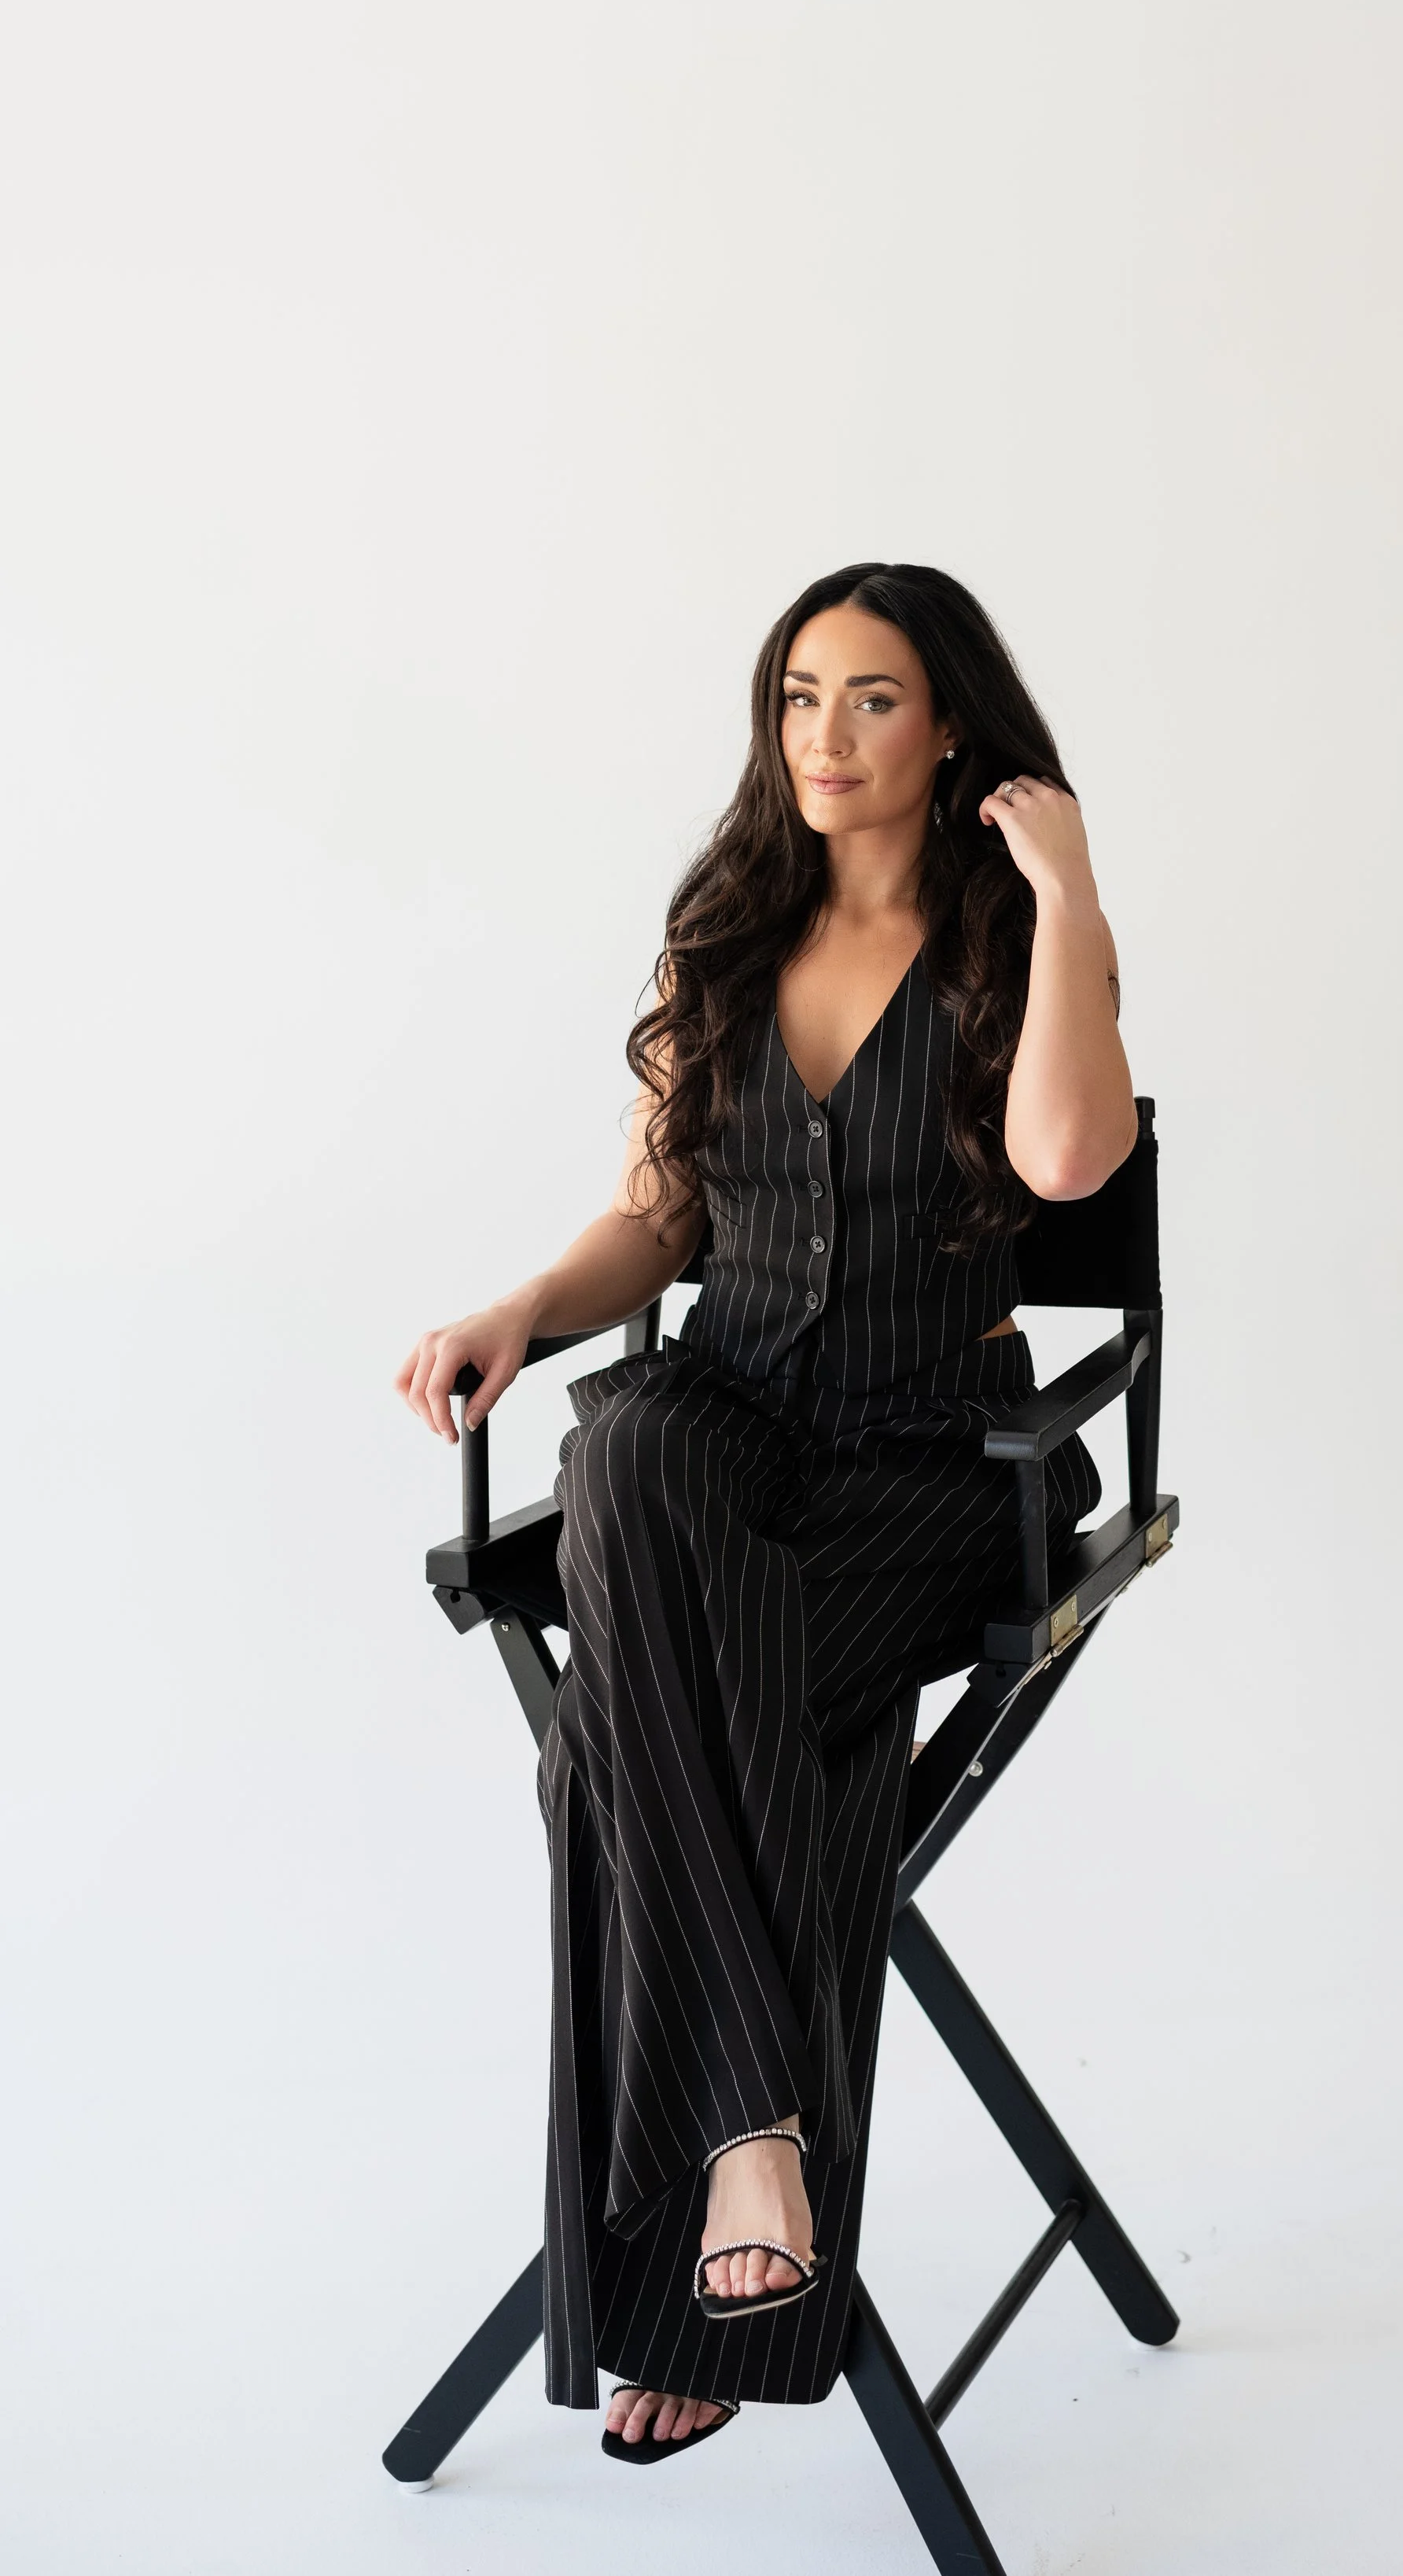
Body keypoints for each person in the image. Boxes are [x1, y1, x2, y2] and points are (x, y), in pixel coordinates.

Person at [396, 562, 1138, 2464]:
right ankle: (752, 2145)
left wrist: (1067, 890)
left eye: (873, 700)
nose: (825, 736)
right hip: (725, 1425)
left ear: (951, 721)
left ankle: (694, 2278)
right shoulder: (723, 931)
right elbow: (657, 1219)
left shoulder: (1008, 940)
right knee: (623, 1450)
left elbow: (1067, 1160)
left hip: (933, 1460)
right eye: (801, 696)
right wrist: (518, 1307)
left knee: (629, 1756)